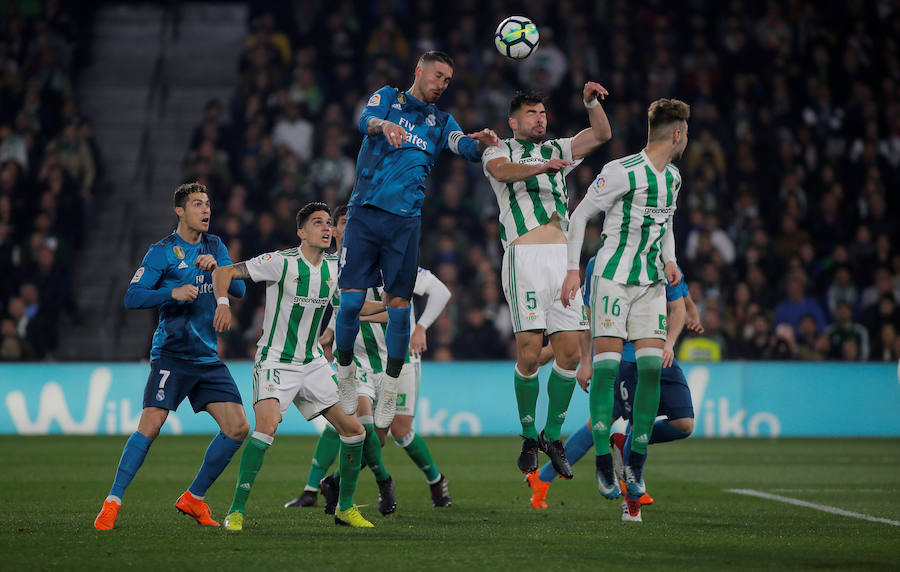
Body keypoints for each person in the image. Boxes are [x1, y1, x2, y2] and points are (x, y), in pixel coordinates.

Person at [333, 50, 499, 433]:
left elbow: (463, 146)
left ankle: (390, 384)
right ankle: (344, 369)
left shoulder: (441, 121)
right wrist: (382, 127)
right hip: (365, 212)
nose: (441, 84)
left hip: (405, 223)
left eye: (447, 80)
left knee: (398, 306)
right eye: (437, 75)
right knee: (352, 302)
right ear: (419, 71)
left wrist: (483, 143)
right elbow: (365, 120)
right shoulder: (389, 98)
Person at [211, 202, 385, 530]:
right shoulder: (281, 262)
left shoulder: (335, 268)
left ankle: (344, 508)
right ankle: (236, 510)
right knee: (268, 426)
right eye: (318, 223)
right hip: (276, 360)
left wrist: (393, 306)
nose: (327, 228)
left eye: (329, 223)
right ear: (301, 232)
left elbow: (353, 306)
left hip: (313, 362)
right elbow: (224, 272)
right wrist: (223, 303)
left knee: (355, 431)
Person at [93, 182, 249, 530]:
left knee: (238, 427)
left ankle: (193, 498)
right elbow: (133, 297)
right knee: (151, 424)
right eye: (197, 204)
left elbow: (238, 289)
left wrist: (218, 270)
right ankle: (112, 502)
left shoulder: (216, 246)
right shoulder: (161, 252)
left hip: (207, 359)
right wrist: (172, 292)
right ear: (180, 211)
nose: (206, 210)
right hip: (172, 355)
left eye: (207, 204)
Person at [562, 98, 690, 522]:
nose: (686, 139)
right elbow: (579, 218)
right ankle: (603, 464)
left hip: (651, 285)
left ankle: (634, 462)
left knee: (652, 368)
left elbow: (666, 224)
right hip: (613, 280)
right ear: (676, 135)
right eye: (685, 132)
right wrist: (572, 271)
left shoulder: (672, 178)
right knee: (607, 369)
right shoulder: (620, 171)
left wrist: (670, 260)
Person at [480, 85, 612, 478]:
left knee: (570, 352)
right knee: (529, 353)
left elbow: (602, 135)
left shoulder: (557, 148)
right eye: (532, 114)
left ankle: (551, 435)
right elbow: (500, 172)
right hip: (524, 258)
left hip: (563, 261)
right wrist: (542, 167)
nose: (540, 119)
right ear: (514, 121)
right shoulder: (498, 148)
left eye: (542, 113)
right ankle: (526, 435)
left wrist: (590, 103)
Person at [285, 205, 454, 510]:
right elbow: (339, 308)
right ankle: (348, 485)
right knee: (354, 424)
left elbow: (437, 293)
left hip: (397, 359)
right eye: (345, 223)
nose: (352, 228)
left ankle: (433, 479)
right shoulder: (333, 266)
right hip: (357, 361)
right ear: (335, 230)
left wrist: (420, 327)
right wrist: (329, 334)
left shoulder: (391, 262)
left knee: (396, 432)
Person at [529, 257, 701, 520]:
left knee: (683, 424)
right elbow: (587, 316)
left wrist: (691, 316)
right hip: (623, 360)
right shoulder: (600, 263)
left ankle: (544, 478)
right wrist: (578, 359)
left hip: (659, 356)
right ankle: (632, 497)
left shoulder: (664, 259)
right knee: (620, 423)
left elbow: (681, 300)